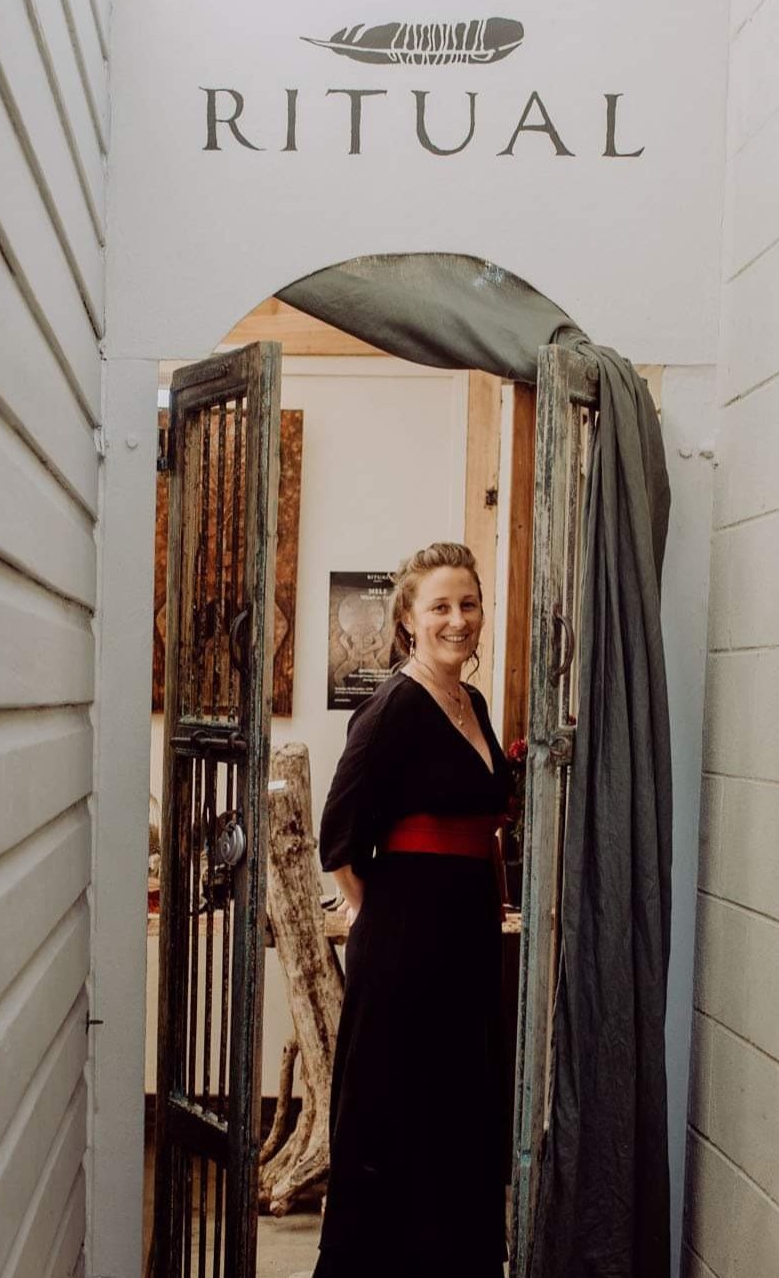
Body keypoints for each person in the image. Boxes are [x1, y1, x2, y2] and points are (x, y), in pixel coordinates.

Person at [312, 543, 512, 1278]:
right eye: (440, 606)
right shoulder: (392, 704)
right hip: (405, 948)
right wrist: (375, 916)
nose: (457, 619)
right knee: (395, 1125)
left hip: (464, 937)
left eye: (468, 603)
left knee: (456, 1123)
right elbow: (337, 831)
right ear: (407, 619)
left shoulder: (474, 703)